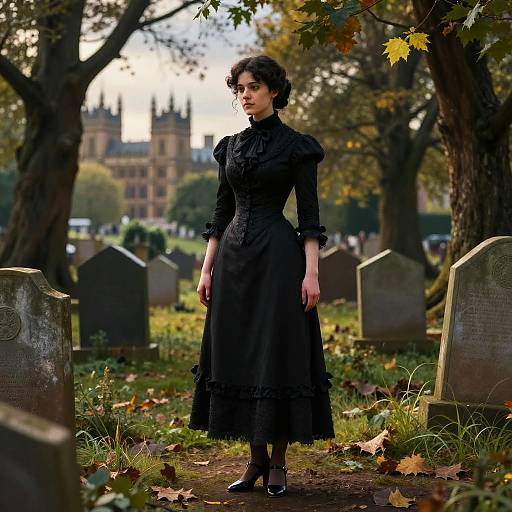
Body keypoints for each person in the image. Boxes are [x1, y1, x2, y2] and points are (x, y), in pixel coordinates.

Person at [189, 55, 334, 498]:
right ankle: (254, 459)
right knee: (238, 354)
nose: (245, 95)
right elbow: (221, 211)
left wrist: (311, 274)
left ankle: (279, 463)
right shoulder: (229, 147)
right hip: (232, 262)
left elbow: (309, 216)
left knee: (277, 355)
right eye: (240, 89)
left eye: (252, 87)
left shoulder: (296, 147)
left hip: (278, 261)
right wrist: (206, 267)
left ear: (273, 90)